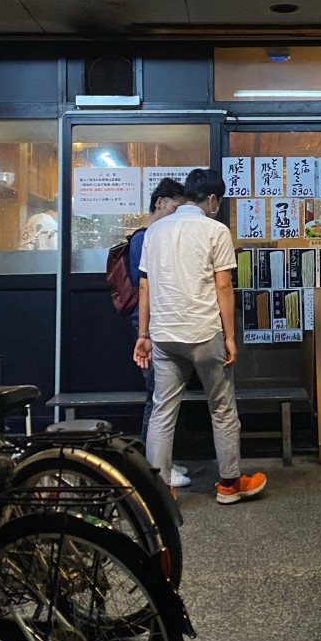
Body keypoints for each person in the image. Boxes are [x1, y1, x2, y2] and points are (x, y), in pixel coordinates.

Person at [134, 167, 267, 505]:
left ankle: (159, 492)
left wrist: (143, 334)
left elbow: (145, 284)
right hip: (204, 332)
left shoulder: (155, 230)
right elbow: (223, 285)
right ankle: (229, 484)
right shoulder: (216, 230)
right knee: (222, 408)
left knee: (163, 411)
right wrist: (231, 337)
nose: (217, 207)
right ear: (210, 199)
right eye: (217, 201)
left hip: (164, 334)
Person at [128, 178, 188, 487]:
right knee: (156, 396)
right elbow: (144, 286)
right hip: (149, 327)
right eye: (175, 207)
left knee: (160, 396)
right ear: (160, 203)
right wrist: (145, 333)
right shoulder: (145, 237)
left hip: (156, 325)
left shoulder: (155, 235)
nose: (178, 214)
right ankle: (151, 472)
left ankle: (159, 461)